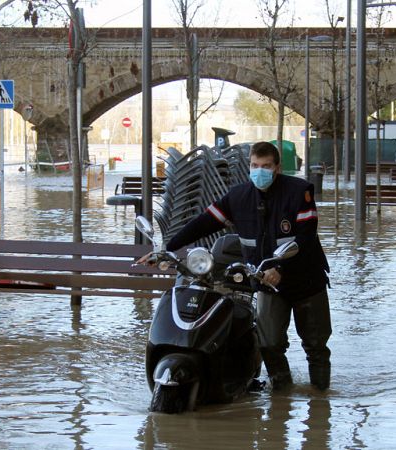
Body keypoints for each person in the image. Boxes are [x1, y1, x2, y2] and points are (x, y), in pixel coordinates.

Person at [140, 142, 332, 391]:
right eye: (254, 166)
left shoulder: (299, 192)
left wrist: (280, 269)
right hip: (266, 282)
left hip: (305, 280)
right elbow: (204, 223)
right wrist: (167, 247)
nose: (259, 171)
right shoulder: (239, 197)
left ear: (277, 167)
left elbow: (306, 237)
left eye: (265, 166)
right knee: (269, 343)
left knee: (315, 344)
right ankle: (282, 396)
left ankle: (320, 401)